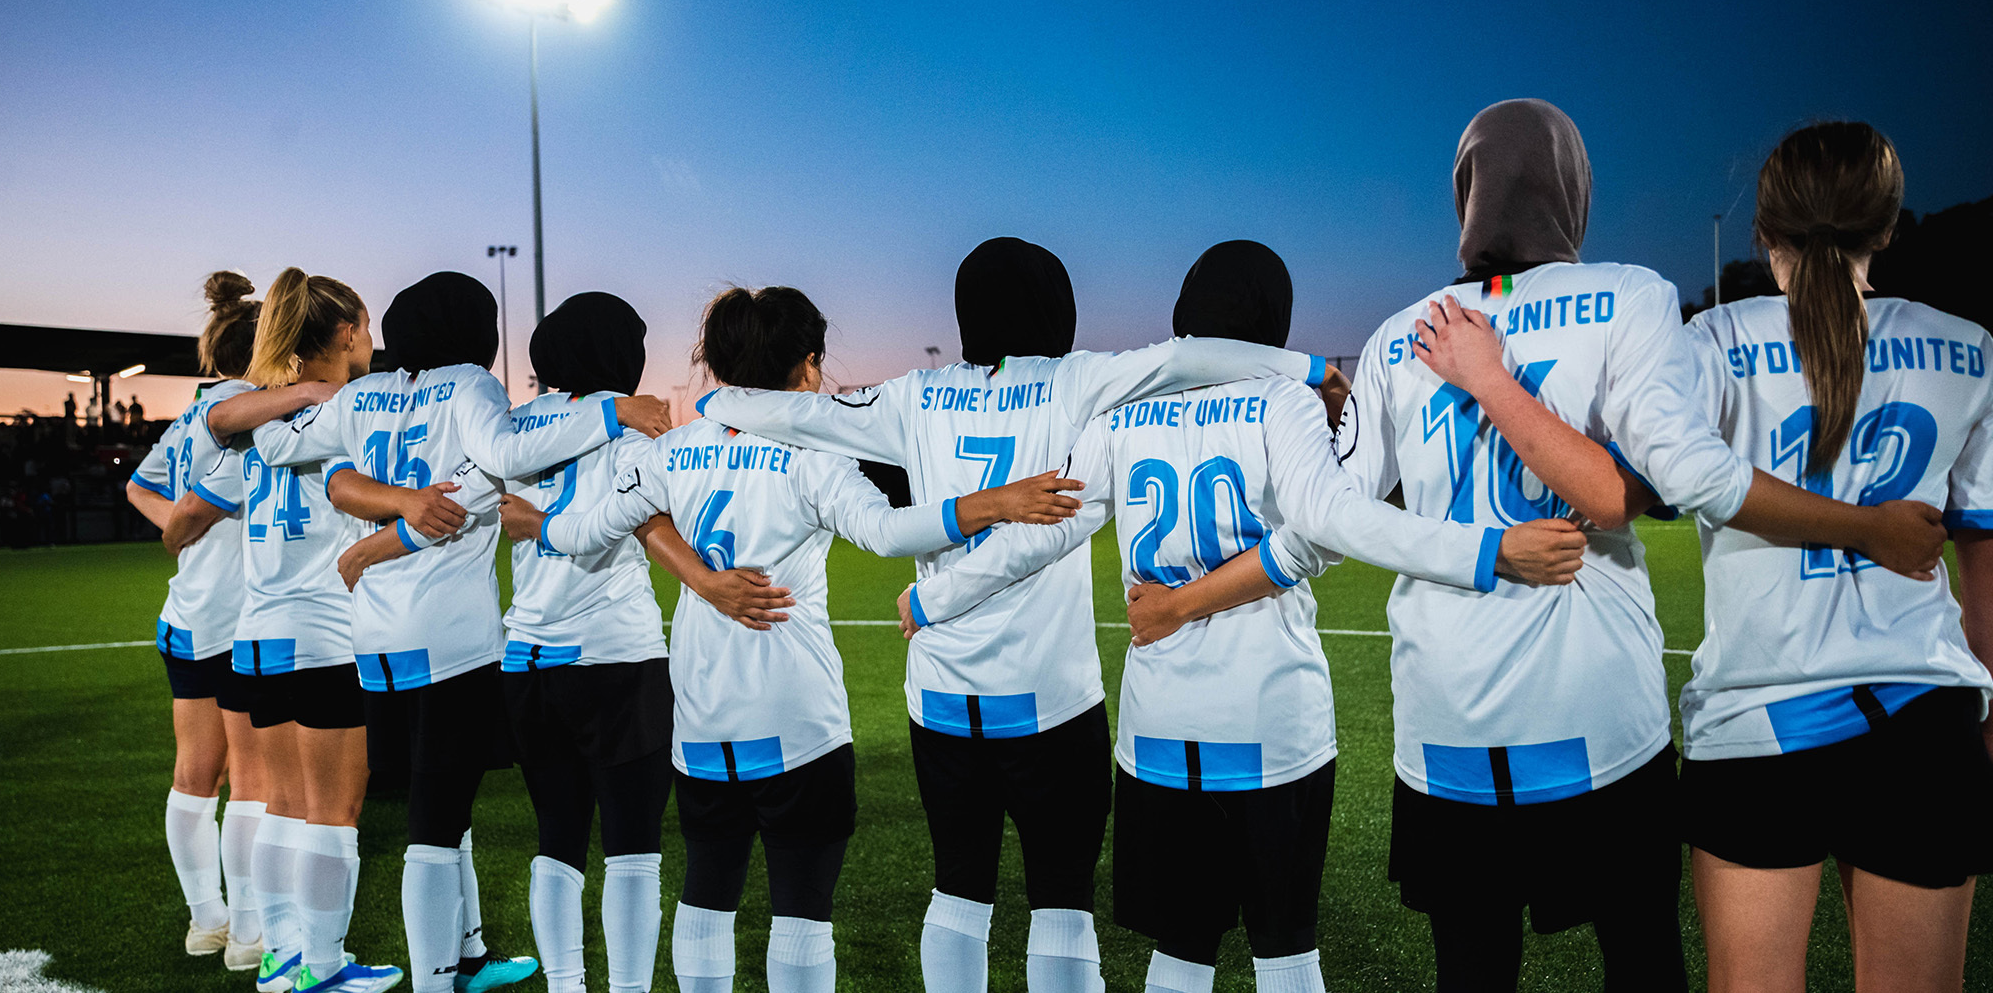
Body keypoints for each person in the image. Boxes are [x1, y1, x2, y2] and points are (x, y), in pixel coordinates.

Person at [1138, 101, 1946, 993]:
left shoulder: (1404, 330)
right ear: (1574, 191)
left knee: (1473, 973)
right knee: (1642, 963)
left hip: (1450, 716)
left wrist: (1188, 596)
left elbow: (1327, 518)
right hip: (1602, 709)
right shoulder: (1634, 294)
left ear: (1465, 194)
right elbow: (1628, 494)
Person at [899, 241, 1586, 993]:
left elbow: (1043, 531)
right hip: (1270, 720)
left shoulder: (1124, 414)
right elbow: (1333, 521)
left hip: (1159, 731)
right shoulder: (1278, 399)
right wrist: (1488, 551)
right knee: (1286, 955)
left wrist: (936, 596)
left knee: (1179, 951)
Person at [696, 238, 1345, 993]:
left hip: (940, 689)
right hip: (1051, 694)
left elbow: (789, 414)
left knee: (958, 888)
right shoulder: (1078, 381)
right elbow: (1186, 359)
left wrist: (715, 403)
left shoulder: (915, 393)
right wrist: (1304, 366)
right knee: (1064, 904)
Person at [499, 284, 1085, 993]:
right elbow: (889, 532)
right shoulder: (813, 458)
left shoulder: (670, 452)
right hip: (796, 718)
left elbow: (585, 530)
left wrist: (540, 525)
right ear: (805, 368)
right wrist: (1000, 500)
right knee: (801, 915)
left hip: (704, 721)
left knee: (706, 895)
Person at [216, 271, 672, 993]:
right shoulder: (467, 383)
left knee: (442, 813)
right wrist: (614, 413)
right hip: (455, 641)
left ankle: (463, 958)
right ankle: (440, 978)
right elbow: (506, 459)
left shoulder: (364, 393)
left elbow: (274, 447)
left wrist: (308, 403)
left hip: (373, 642)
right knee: (434, 822)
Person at [1671, 124, 1993, 991]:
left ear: (1764, 230)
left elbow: (1665, 474)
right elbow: (1985, 562)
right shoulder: (1968, 348)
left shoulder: (1715, 340)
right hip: (1923, 713)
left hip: (1758, 714)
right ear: (1888, 226)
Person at [340, 293, 680, 993]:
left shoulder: (514, 425)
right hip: (616, 655)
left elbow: (450, 501)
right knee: (633, 851)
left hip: (528, 661)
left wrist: (373, 547)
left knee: (556, 839)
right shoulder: (636, 423)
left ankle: (563, 985)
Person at [167, 268, 403, 991]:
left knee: (282, 802)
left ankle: (278, 955)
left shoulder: (261, 415)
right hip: (322, 629)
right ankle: (323, 966)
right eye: (362, 325)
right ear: (340, 334)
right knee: (336, 808)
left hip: (256, 632)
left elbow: (213, 428)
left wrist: (296, 391)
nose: (370, 338)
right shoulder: (346, 412)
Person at [124, 271, 330, 972]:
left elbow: (139, 484)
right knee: (252, 781)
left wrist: (176, 533)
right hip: (236, 615)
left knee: (195, 773)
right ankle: (247, 932)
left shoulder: (191, 411)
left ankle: (205, 919)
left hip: (189, 610)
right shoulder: (246, 407)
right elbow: (183, 504)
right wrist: (180, 525)